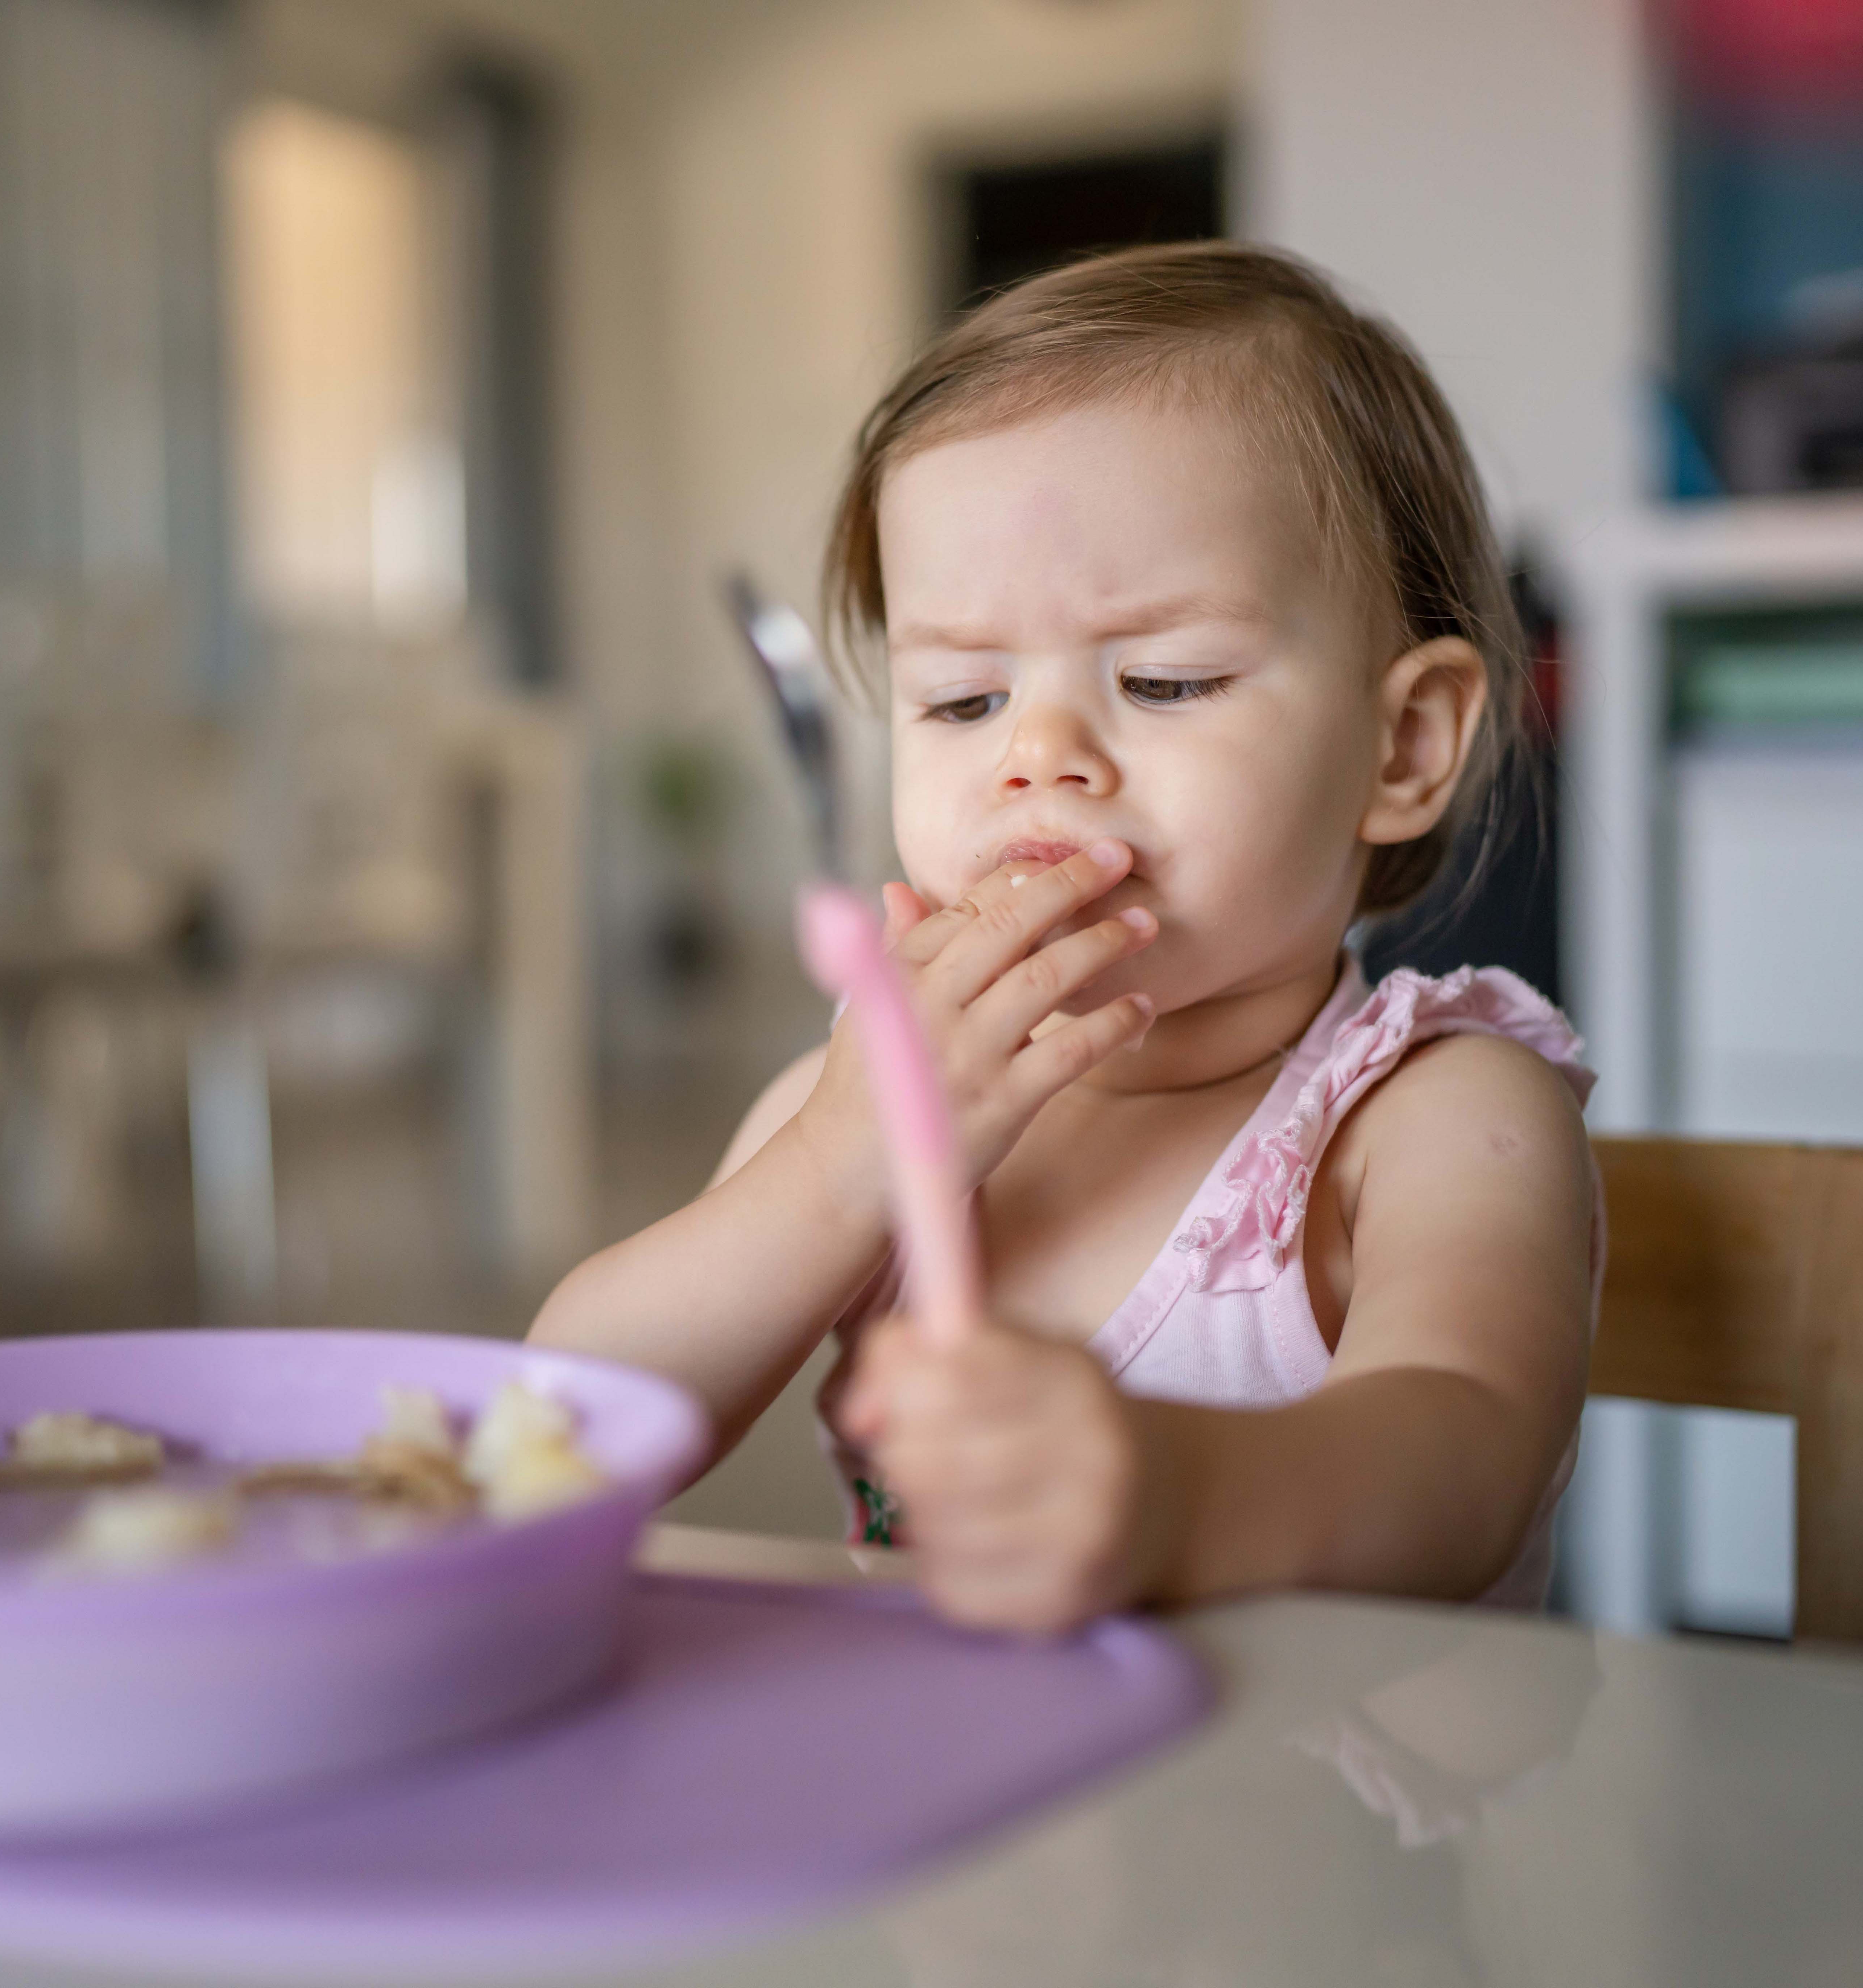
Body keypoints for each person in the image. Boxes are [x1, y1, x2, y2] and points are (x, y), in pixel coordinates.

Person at [529, 243, 1601, 1632]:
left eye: (1164, 680)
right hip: (971, 1826)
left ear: (1400, 744)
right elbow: (559, 1426)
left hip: (1310, 1830)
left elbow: (1465, 1462)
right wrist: (831, 1171)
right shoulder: (859, 1105)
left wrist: (1178, 1496)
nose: (1038, 756)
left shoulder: (1436, 1113)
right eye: (963, 701)